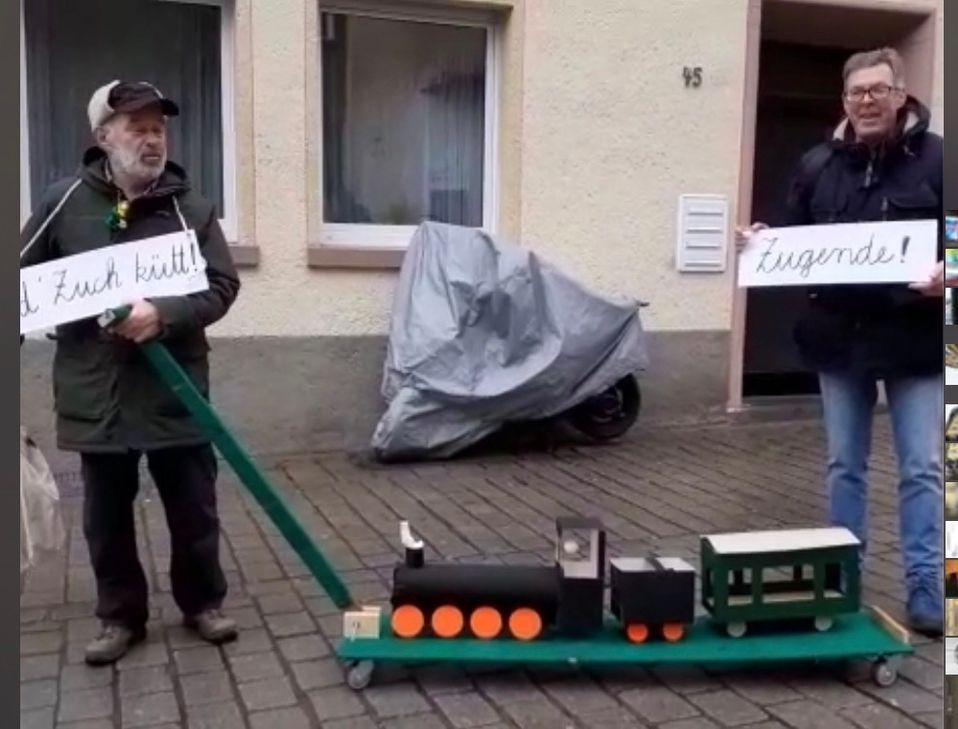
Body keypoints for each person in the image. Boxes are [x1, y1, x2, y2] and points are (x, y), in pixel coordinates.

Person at [19, 80, 242, 663]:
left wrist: (163, 314)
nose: (151, 140)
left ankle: (202, 603)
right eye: (137, 127)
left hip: (175, 389)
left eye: (158, 128)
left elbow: (222, 286)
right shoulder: (63, 203)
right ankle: (120, 617)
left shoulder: (189, 207)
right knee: (106, 516)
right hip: (99, 392)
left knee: (193, 505)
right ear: (103, 137)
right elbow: (20, 286)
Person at [737, 48, 944, 636]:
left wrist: (948, 275)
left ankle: (927, 586)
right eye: (857, 93)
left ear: (902, 96)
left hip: (916, 340)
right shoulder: (817, 164)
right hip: (839, 340)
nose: (867, 101)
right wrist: (759, 242)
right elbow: (790, 238)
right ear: (844, 101)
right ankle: (842, 579)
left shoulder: (939, 160)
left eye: (879, 90)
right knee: (843, 465)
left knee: (923, 468)